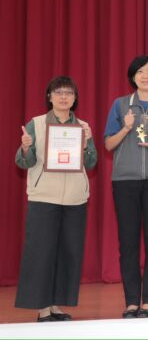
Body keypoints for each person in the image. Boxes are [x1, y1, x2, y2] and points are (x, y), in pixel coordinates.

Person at [14, 76, 97, 322]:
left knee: (68, 252)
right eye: (58, 92)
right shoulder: (37, 124)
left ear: (75, 98)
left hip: (75, 198)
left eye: (68, 93)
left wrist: (86, 144)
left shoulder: (82, 126)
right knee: (41, 252)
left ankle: (56, 304)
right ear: (49, 97)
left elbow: (91, 163)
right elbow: (24, 162)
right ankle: (42, 307)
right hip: (44, 196)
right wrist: (26, 147)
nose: (63, 97)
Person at [104, 56, 148, 318]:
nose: (145, 76)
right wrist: (126, 128)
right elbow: (108, 144)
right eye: (140, 72)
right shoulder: (121, 104)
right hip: (126, 180)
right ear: (132, 76)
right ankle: (132, 301)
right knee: (128, 242)